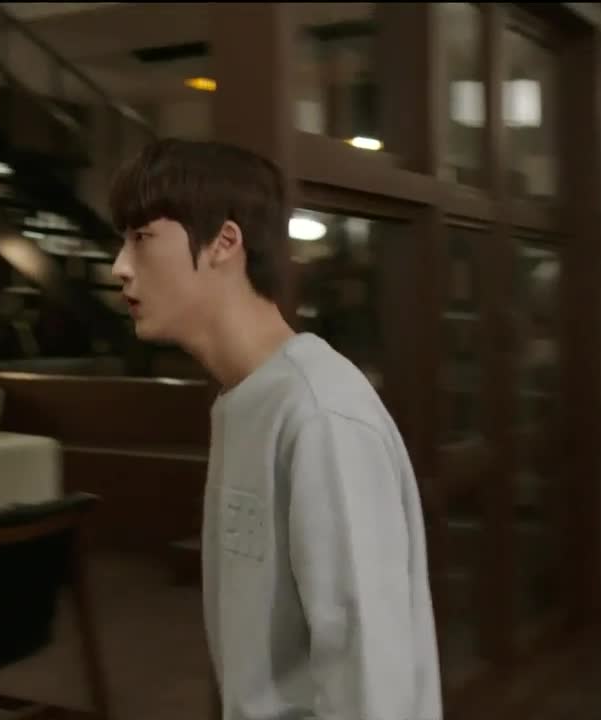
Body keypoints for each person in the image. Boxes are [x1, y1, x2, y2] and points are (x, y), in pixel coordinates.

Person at [108, 138, 443, 720]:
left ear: (224, 242)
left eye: (141, 237)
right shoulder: (247, 396)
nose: (119, 265)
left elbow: (370, 674)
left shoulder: (320, 414)